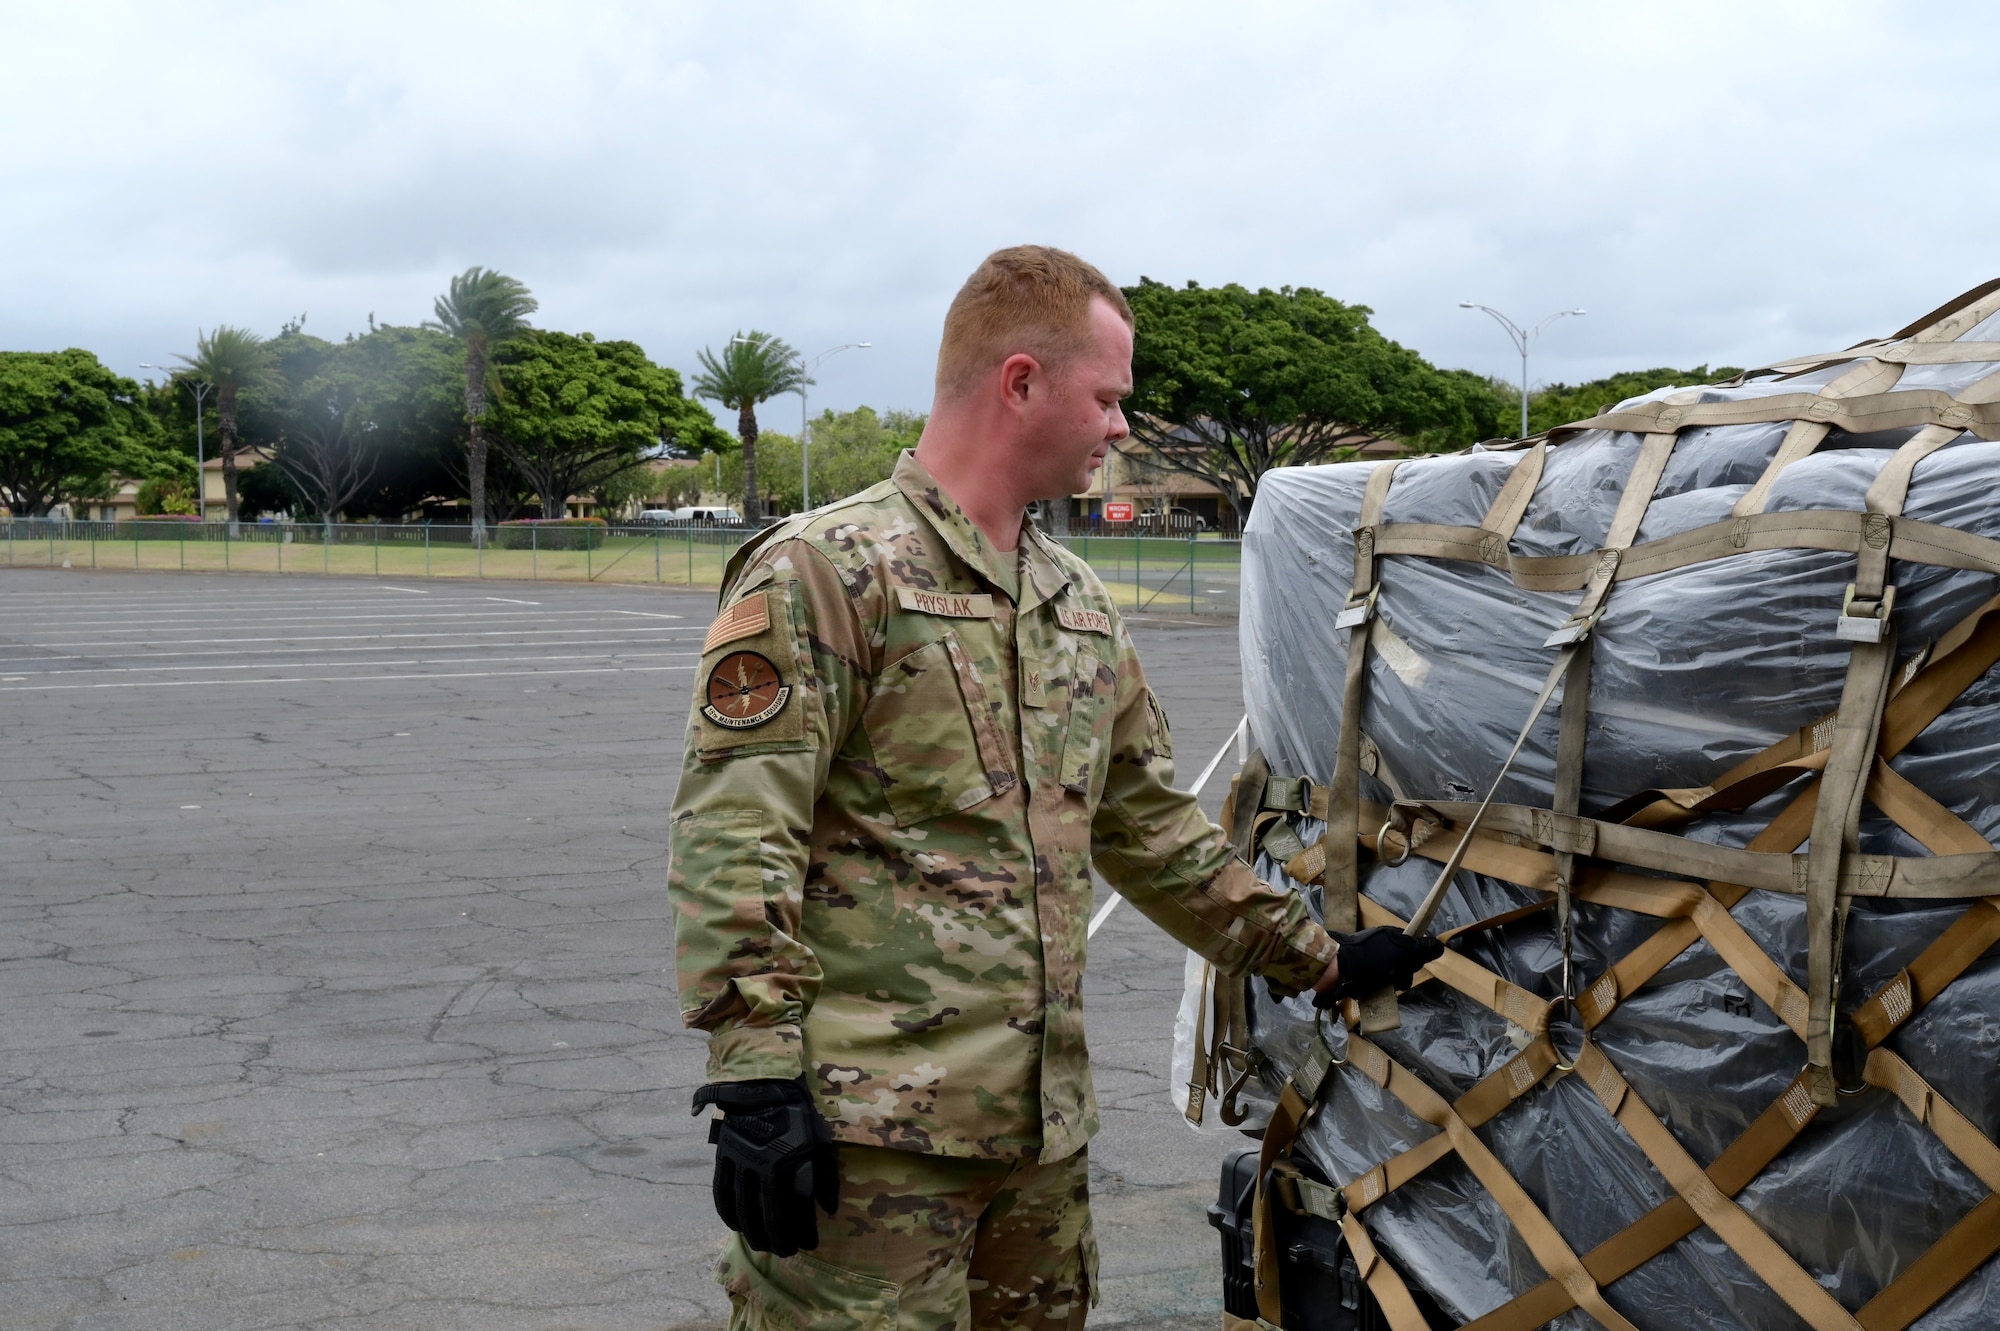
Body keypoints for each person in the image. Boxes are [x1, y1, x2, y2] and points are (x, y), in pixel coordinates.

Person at [667, 245, 1440, 1331]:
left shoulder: (1070, 596)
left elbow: (1144, 825)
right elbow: (735, 829)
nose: (1121, 427)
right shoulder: (826, 571)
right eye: (1108, 398)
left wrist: (1312, 954)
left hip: (1037, 1140)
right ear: (1020, 381)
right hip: (868, 1141)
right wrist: (751, 1073)